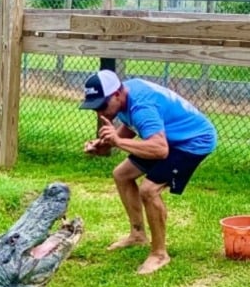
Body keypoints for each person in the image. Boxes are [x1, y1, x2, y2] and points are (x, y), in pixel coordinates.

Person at [80, 69, 217, 275]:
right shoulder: (125, 95)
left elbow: (160, 150)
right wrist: (105, 145)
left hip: (193, 141)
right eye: (94, 108)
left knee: (149, 189)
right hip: (167, 138)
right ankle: (137, 235)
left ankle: (159, 254)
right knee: (122, 174)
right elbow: (132, 125)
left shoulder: (142, 106)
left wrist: (117, 142)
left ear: (117, 94)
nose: (99, 113)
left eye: (101, 106)